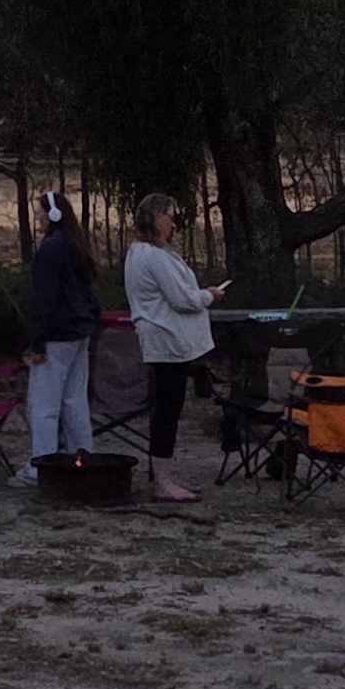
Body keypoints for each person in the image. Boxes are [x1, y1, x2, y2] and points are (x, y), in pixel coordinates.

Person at [119, 192, 230, 504]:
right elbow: (182, 300)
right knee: (167, 409)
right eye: (169, 215)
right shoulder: (152, 256)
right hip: (166, 340)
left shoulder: (144, 253)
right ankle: (162, 481)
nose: (173, 222)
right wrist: (208, 296)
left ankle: (163, 474)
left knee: (168, 407)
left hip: (164, 338)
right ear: (156, 218)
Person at [23, 193, 100, 467]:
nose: (38, 218)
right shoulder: (75, 245)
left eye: (41, 212)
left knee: (44, 406)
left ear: (54, 214)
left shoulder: (50, 249)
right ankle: (81, 458)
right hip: (78, 334)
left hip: (55, 335)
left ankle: (41, 466)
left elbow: (44, 299)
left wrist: (37, 341)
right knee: (74, 401)